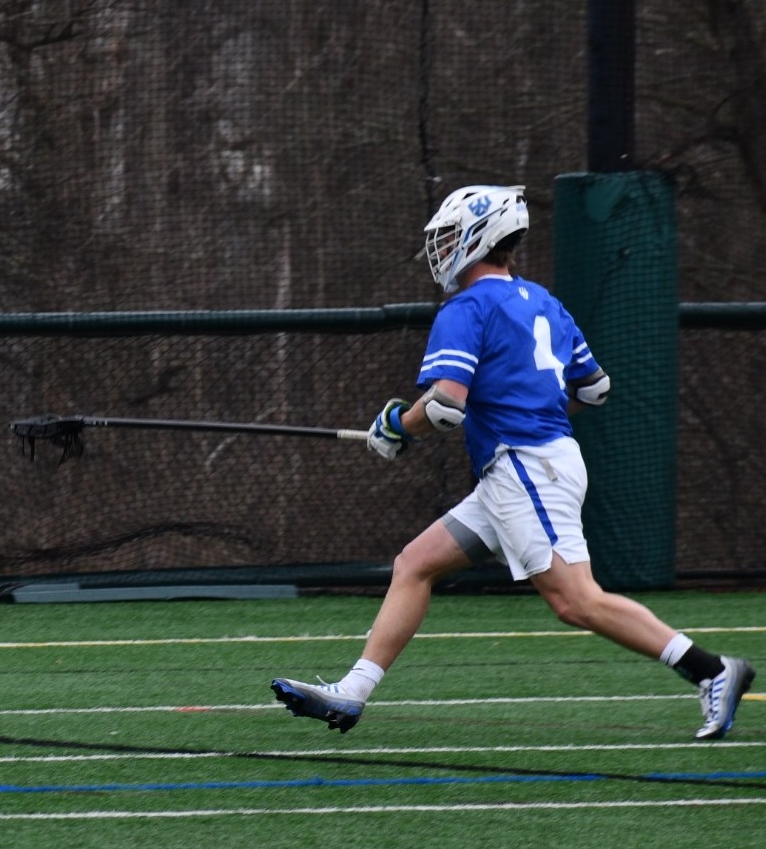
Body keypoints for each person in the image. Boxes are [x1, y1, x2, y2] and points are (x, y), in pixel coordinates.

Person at [269, 184, 754, 740]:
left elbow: (447, 405)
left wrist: (397, 428)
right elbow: (594, 388)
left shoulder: (467, 307)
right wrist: (513, 405)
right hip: (532, 466)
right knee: (416, 563)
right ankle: (352, 692)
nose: (442, 248)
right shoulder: (543, 300)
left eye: (450, 236)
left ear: (480, 237)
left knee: (577, 602)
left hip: (524, 468)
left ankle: (712, 671)